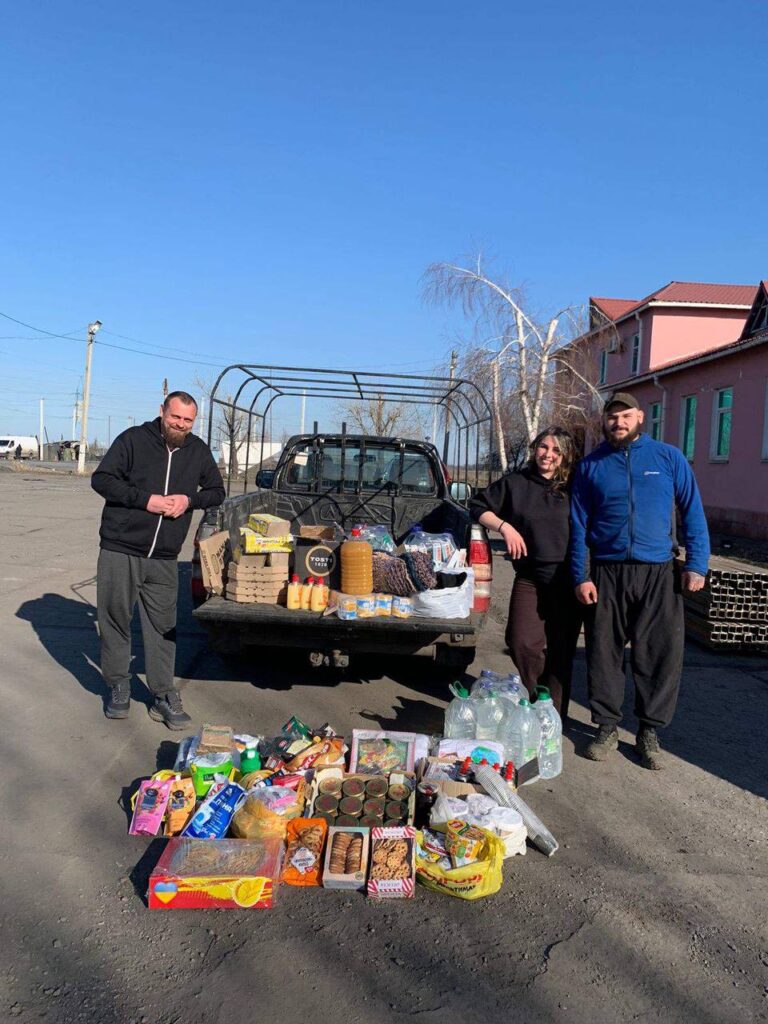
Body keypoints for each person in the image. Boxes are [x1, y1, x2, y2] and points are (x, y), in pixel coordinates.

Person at [571, 391, 709, 770]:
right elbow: (579, 525)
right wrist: (581, 576)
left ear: (640, 417)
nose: (618, 422)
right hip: (607, 571)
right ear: (605, 421)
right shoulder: (591, 466)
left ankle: (649, 731)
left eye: (626, 416)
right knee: (604, 652)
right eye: (612, 417)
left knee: (659, 654)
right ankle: (607, 727)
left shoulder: (668, 458)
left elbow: (693, 511)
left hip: (658, 572)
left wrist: (697, 564)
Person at [91, 391, 225, 728]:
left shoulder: (198, 451)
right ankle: (118, 685)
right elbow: (102, 479)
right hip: (121, 548)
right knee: (115, 619)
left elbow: (217, 491)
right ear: (162, 411)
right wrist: (145, 500)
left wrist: (189, 500)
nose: (180, 424)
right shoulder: (133, 440)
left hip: (165, 556)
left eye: (187, 420)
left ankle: (163, 694)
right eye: (175, 416)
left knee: (163, 627)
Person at [470, 427, 583, 719]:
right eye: (544, 447)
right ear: (535, 449)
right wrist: (505, 527)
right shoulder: (517, 483)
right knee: (520, 642)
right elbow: (477, 505)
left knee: (560, 652)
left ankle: (554, 719)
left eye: (557, 450)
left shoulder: (575, 485)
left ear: (565, 456)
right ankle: (539, 700)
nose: (548, 455)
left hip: (567, 579)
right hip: (530, 577)